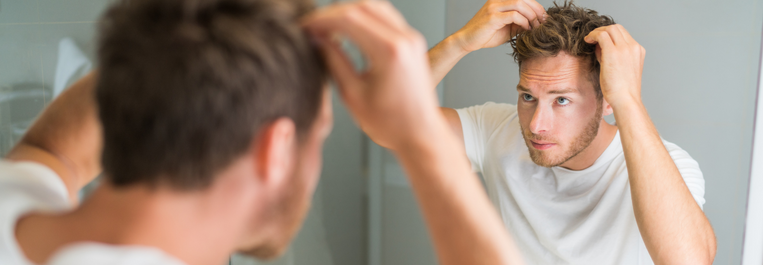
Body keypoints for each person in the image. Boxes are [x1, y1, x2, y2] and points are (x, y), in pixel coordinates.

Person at [0, 0, 524, 264]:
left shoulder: (14, 196)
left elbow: (52, 150)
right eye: (319, 133)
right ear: (275, 149)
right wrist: (417, 135)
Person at [428, 0, 717, 264]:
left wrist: (628, 100)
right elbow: (383, 126)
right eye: (528, 97)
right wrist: (459, 43)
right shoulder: (496, 130)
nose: (535, 126)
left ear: (607, 100)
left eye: (562, 100)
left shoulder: (667, 166)